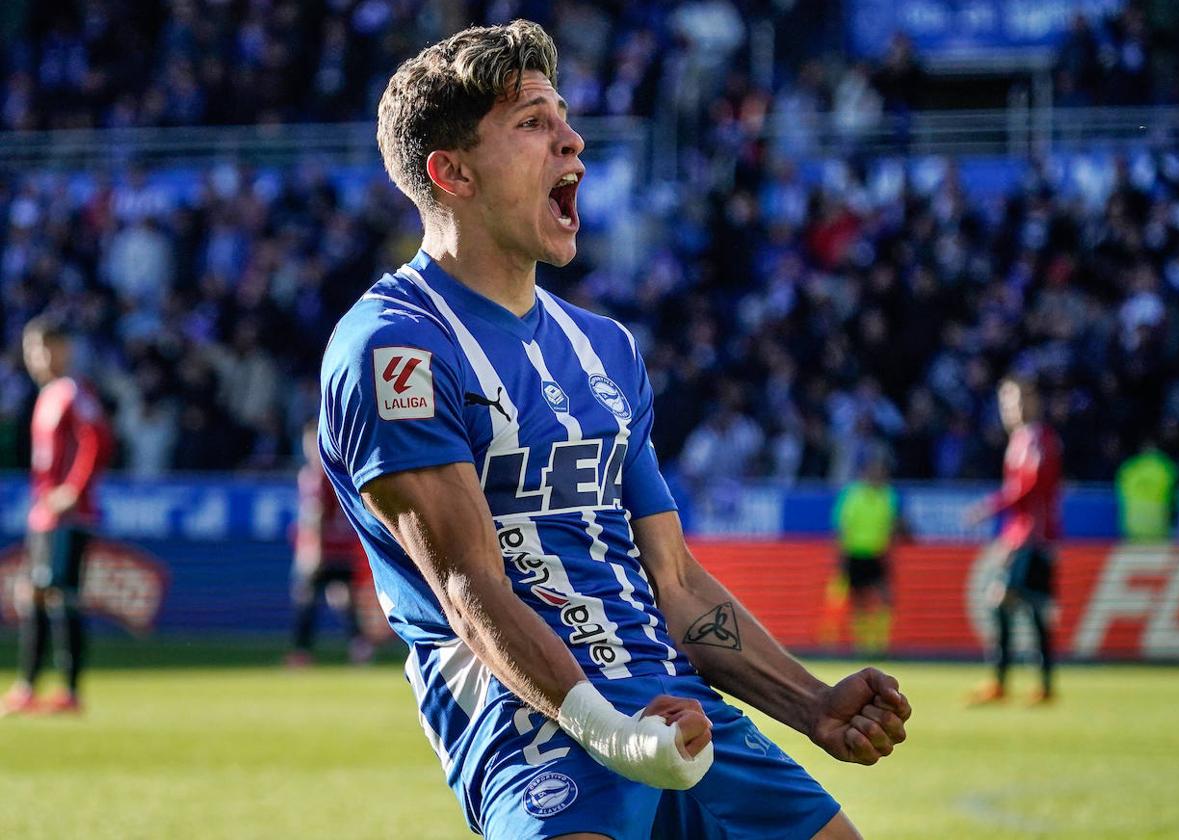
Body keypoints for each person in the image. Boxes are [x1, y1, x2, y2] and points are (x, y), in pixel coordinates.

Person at [319, 21, 909, 840]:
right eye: (532, 122)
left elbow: (674, 582)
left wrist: (811, 705)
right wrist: (614, 733)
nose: (572, 138)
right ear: (449, 173)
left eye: (563, 114)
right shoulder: (393, 348)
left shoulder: (606, 348)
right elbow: (469, 588)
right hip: (535, 729)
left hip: (680, 709)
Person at [3, 317, 111, 715]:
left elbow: (97, 439)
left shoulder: (73, 391)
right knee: (32, 594)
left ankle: (70, 690)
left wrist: (73, 490)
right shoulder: (48, 395)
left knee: (61, 595)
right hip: (43, 513)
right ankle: (27, 686)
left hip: (69, 514)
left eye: (47, 347)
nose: (39, 357)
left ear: (64, 349)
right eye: (33, 349)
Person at [965, 375, 1062, 706]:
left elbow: (1031, 489)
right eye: (1007, 402)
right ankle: (1036, 684)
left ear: (1033, 402)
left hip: (1034, 537)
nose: (1012, 408)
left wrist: (989, 507)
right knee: (1027, 607)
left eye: (1018, 400)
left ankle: (1008, 682)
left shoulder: (1038, 438)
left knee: (1010, 602)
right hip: (1021, 535)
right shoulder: (1021, 439)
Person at [287, 420, 374, 667]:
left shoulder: (315, 475)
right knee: (343, 597)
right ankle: (360, 645)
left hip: (323, 548)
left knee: (305, 596)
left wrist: (311, 549)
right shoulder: (343, 471)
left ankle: (301, 652)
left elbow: (316, 513)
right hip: (345, 546)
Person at [825, 450, 905, 655]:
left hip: (878, 553)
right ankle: (863, 644)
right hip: (855, 552)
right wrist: (840, 555)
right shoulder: (852, 495)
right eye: (876, 470)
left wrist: (890, 546)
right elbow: (842, 526)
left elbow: (893, 523)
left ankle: (880, 643)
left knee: (886, 597)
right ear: (867, 472)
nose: (879, 475)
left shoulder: (888, 495)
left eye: (882, 471)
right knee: (858, 599)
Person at [1115, 441, 1179, 542]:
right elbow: (1176, 497)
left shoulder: (1129, 468)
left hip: (1132, 526)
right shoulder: (1166, 467)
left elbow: (1120, 494)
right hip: (1159, 526)